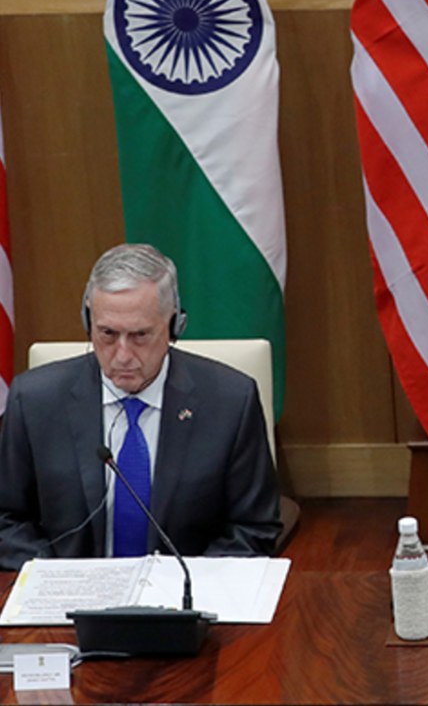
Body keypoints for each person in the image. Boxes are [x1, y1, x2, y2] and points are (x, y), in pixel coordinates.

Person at [0, 244, 280, 570]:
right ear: (87, 320)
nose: (122, 355)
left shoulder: (231, 401)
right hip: (68, 605)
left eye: (140, 335)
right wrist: (58, 577)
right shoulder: (35, 400)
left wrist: (183, 585)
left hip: (184, 601)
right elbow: (5, 520)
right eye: (107, 334)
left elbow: (254, 528)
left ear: (175, 325)